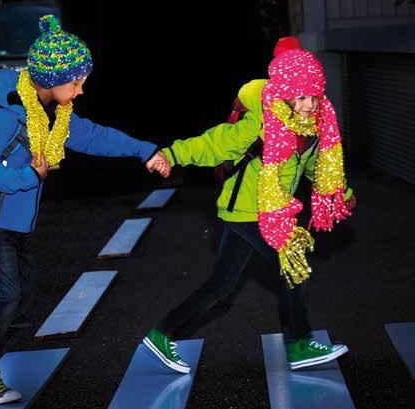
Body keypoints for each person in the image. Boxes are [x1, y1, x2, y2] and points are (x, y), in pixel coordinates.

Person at [0, 14, 170, 405]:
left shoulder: (48, 115)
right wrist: (28, 176)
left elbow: (93, 136)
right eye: (76, 83)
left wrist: (145, 150)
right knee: (7, 298)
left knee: (18, 299)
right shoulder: (6, 113)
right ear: (51, 78)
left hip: (14, 223)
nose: (81, 91)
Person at [142, 38, 356, 374]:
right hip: (248, 211)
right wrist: (170, 154)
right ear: (285, 94)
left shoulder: (315, 126)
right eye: (301, 96)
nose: (309, 104)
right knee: (292, 264)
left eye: (314, 95)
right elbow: (214, 144)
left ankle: (161, 333)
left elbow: (317, 168)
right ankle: (298, 345)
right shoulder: (261, 121)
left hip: (267, 211)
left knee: (222, 285)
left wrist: (341, 194)